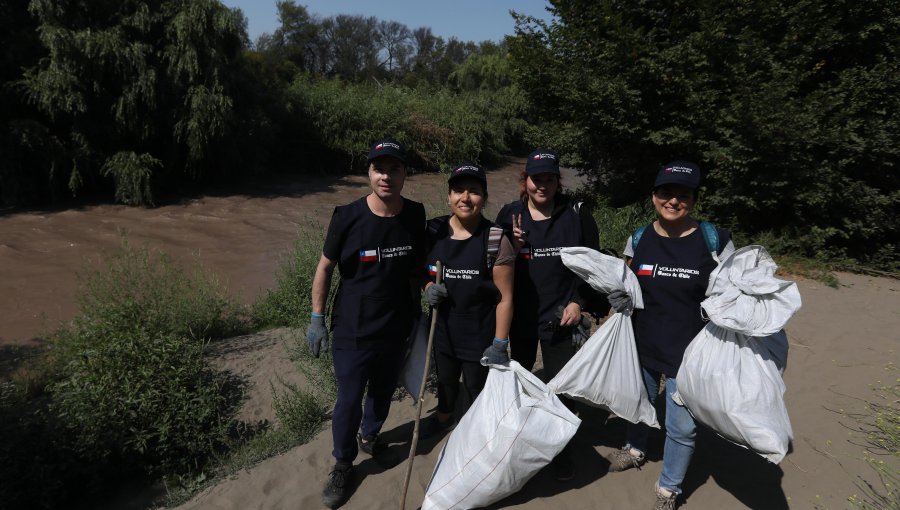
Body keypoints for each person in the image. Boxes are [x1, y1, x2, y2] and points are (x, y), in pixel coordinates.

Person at [604, 160, 734, 510]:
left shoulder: (714, 241)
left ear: (693, 199)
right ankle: (634, 449)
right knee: (637, 405)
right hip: (641, 346)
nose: (673, 201)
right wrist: (617, 296)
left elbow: (733, 295)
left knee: (682, 428)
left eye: (683, 194)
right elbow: (626, 282)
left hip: (690, 355)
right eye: (666, 193)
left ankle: (669, 488)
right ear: (653, 196)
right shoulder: (639, 238)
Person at [306, 138, 426, 509]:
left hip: (396, 324)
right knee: (348, 399)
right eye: (379, 168)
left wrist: (427, 293)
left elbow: (416, 269)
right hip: (353, 327)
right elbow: (325, 267)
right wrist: (316, 318)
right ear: (368, 173)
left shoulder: (415, 214)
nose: (386, 176)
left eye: (394, 169)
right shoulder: (347, 216)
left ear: (405, 173)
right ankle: (343, 463)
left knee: (383, 391)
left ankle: (370, 438)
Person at [495, 148, 603, 481]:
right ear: (524, 181)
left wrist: (579, 303)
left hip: (561, 316)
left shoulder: (576, 215)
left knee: (562, 390)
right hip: (521, 318)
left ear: (558, 182)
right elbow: (494, 266)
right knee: (521, 384)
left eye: (549, 179)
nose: (542, 185)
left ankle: (561, 450)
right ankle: (523, 442)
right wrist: (510, 245)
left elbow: (594, 267)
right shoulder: (509, 215)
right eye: (535, 178)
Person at [419, 164, 516, 438]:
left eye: (474, 191)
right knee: (446, 382)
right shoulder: (432, 231)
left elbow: (506, 297)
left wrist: (500, 343)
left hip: (479, 333)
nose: (465, 197)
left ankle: (475, 435)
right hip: (442, 330)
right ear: (449, 196)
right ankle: (444, 418)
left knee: (476, 388)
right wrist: (427, 286)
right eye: (459, 190)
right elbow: (416, 271)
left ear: (484, 198)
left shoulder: (495, 238)